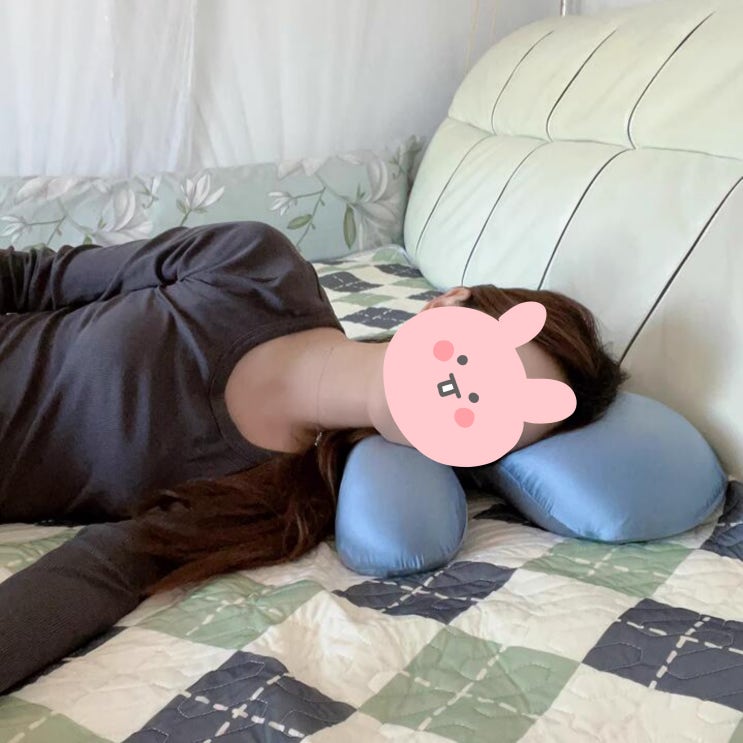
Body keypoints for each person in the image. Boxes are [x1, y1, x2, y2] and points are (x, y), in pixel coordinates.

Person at [0, 220, 626, 694]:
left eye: (495, 424)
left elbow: (106, 569)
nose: (464, 398)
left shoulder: (280, 504)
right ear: (447, 305)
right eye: (485, 368)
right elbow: (30, 279)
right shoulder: (254, 266)